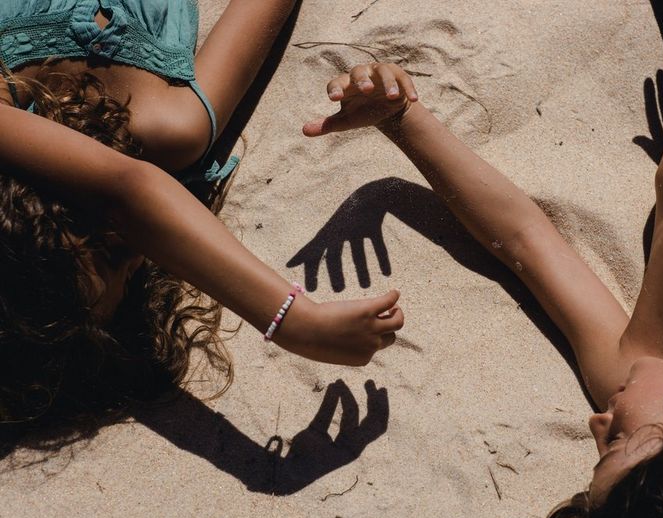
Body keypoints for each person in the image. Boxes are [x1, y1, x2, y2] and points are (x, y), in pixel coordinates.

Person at [302, 4, 663, 518]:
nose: (597, 423)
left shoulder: (629, 367)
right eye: (619, 442)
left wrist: (402, 119)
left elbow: (524, 239)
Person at [0, 0, 404, 432]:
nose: (140, 239)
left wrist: (292, 320)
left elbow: (129, 192)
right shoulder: (173, 126)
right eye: (130, 262)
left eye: (98, 236)